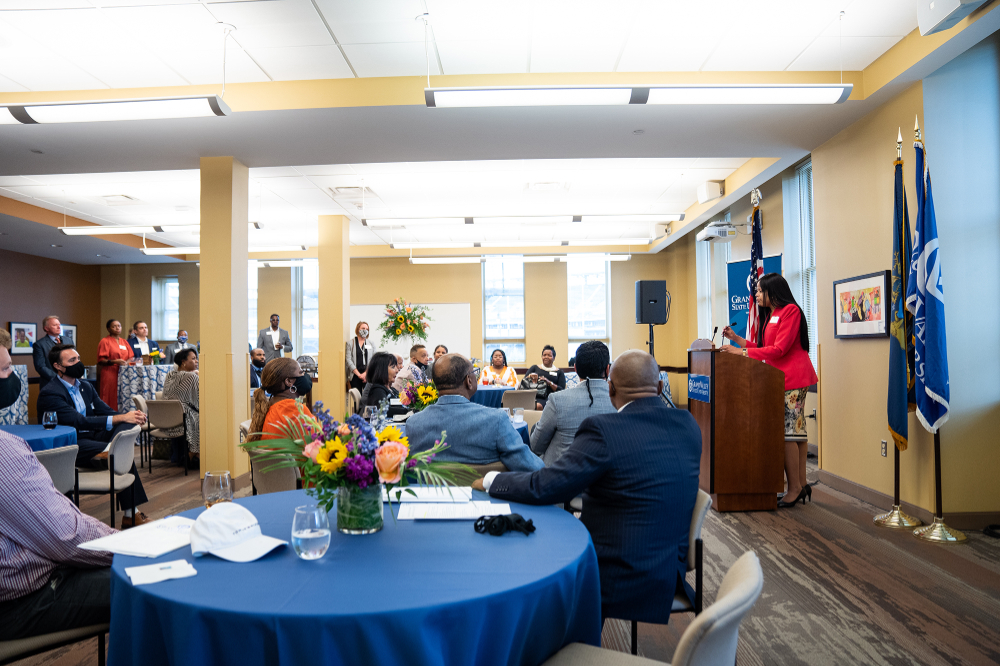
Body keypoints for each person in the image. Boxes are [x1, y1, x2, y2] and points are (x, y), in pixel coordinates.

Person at [474, 350, 701, 624]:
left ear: (611, 387)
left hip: (617, 573)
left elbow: (546, 487)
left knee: (528, 566)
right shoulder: (688, 424)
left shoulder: (604, 430)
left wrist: (490, 481)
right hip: (669, 572)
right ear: (661, 387)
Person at [0, 345, 117, 641]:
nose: (14, 375)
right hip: (21, 601)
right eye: (4, 369)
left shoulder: (85, 387)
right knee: (149, 582)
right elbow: (66, 538)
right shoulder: (6, 450)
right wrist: (138, 544)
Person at [722, 272, 818, 508]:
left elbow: (780, 350)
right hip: (780, 378)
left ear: (772, 292)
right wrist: (737, 340)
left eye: (758, 290)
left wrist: (742, 353)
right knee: (797, 430)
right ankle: (801, 483)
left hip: (794, 377)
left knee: (788, 433)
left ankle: (794, 487)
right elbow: (765, 347)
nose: (755, 294)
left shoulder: (791, 311)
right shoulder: (772, 314)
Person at [36, 345, 150, 528]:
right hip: (72, 444)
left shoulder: (86, 386)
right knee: (119, 447)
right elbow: (79, 421)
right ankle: (132, 514)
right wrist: (121, 417)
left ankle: (109, 455)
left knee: (126, 428)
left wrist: (130, 417)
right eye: (72, 361)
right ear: (58, 366)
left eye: (78, 358)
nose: (78, 363)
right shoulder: (51, 392)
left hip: (93, 437)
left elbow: (106, 411)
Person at [407, 354, 543, 472]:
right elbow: (533, 468)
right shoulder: (496, 420)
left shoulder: (413, 424)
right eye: (474, 373)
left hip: (430, 498)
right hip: (487, 497)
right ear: (469, 381)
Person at [530, 341, 616, 466]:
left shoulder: (557, 400)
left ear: (575, 368)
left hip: (561, 478)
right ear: (608, 369)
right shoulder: (620, 401)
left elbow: (535, 447)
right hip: (606, 478)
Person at [247, 357, 314, 443]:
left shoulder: (268, 406)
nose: (304, 375)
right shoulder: (295, 410)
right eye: (301, 372)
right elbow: (316, 444)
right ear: (289, 381)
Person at [162, 348, 200, 469]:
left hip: (165, 417)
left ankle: (193, 455)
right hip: (183, 418)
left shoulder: (170, 375)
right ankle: (193, 454)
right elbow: (198, 401)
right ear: (183, 362)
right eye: (193, 358)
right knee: (204, 417)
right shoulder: (191, 377)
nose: (197, 361)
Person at [96, 319, 132, 410]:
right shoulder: (105, 341)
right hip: (110, 372)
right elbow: (101, 360)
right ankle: (109, 415)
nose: (117, 328)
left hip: (123, 372)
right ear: (108, 329)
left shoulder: (124, 342)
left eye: (119, 326)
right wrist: (115, 361)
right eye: (114, 326)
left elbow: (131, 356)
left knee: (122, 394)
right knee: (109, 395)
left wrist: (126, 362)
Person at [361, 352, 407, 417]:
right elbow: (383, 410)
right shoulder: (378, 390)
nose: (397, 371)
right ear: (382, 370)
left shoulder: (391, 389)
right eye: (393, 367)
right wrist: (408, 411)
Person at [522, 344, 566, 409]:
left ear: (554, 358)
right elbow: (523, 382)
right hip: (533, 396)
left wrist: (549, 383)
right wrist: (530, 377)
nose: (546, 357)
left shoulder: (559, 372)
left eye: (549, 355)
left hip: (550, 397)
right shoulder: (534, 368)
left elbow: (562, 390)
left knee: (538, 406)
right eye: (544, 355)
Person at [32, 315, 63, 391]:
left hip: (70, 384)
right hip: (50, 384)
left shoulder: (69, 341)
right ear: (46, 328)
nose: (59, 327)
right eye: (55, 325)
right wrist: (59, 378)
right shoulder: (39, 345)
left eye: (59, 325)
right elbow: (41, 367)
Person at [346, 321, 375, 393]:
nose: (365, 330)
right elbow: (348, 360)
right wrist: (359, 375)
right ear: (358, 329)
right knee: (356, 399)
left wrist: (365, 374)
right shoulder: (350, 343)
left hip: (367, 375)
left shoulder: (371, 343)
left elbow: (374, 360)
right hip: (355, 375)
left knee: (368, 398)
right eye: (363, 328)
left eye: (367, 329)